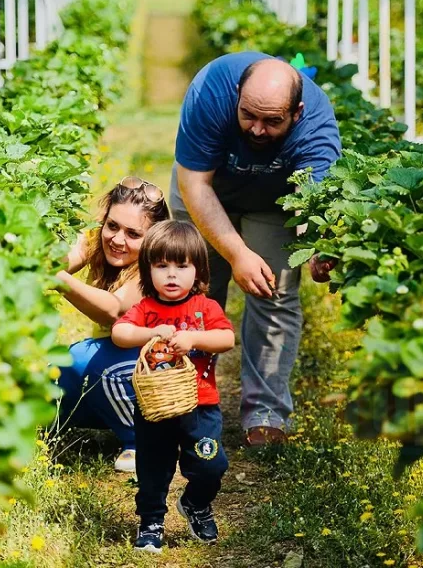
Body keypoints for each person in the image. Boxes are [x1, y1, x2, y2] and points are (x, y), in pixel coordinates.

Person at [170, 51, 341, 446]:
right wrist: (237, 253)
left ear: (296, 113)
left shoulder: (317, 125)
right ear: (236, 97)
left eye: (272, 121)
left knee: (275, 292)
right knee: (189, 292)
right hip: (206, 192)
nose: (258, 130)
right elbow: (195, 185)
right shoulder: (210, 92)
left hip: (274, 202)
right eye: (249, 116)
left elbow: (316, 199)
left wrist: (319, 245)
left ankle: (266, 413)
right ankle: (184, 401)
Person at [111, 221, 235, 553]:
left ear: (198, 269)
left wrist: (194, 337)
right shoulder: (145, 310)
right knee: (152, 466)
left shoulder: (205, 308)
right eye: (161, 265)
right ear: (147, 269)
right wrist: (153, 333)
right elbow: (120, 333)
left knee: (212, 464)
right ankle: (151, 521)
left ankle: (196, 502)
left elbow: (226, 338)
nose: (171, 275)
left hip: (201, 406)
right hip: (155, 408)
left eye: (182, 266)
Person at [52, 176, 170, 473]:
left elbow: (113, 311)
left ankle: (145, 441)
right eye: (112, 226)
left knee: (80, 357)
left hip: (156, 372)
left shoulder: (157, 263)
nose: (117, 239)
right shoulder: (98, 240)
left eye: (133, 234)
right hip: (115, 367)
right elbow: (70, 256)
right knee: (54, 373)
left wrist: (56, 278)